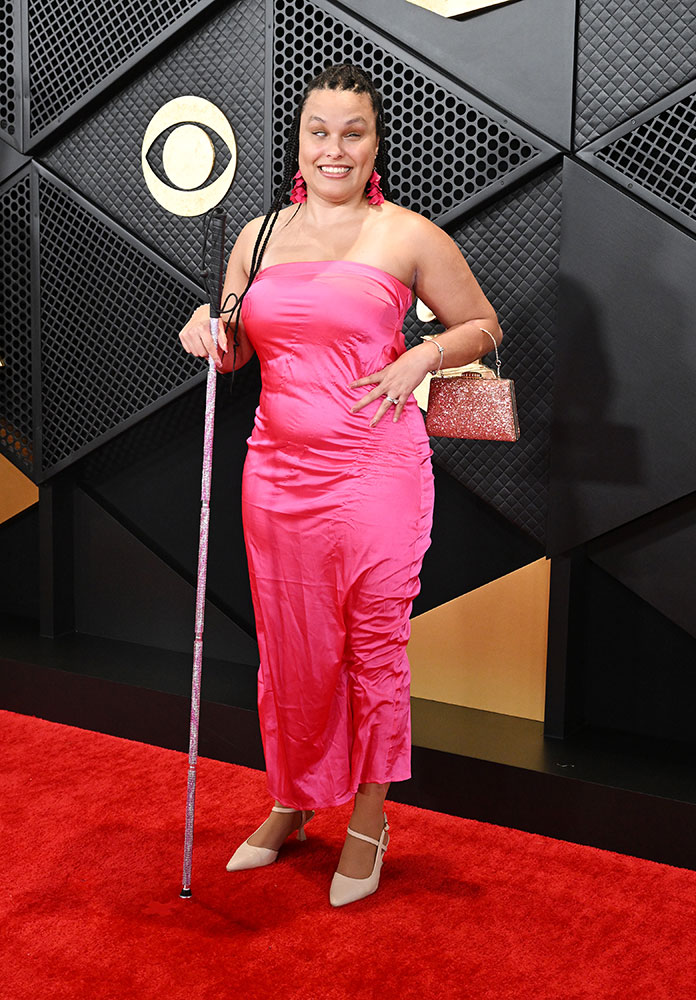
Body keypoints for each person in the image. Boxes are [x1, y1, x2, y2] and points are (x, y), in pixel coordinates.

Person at [178, 63, 500, 907]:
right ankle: (293, 798)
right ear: (300, 140)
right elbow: (238, 345)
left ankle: (368, 818)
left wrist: (423, 355)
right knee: (293, 650)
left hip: (376, 473)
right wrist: (207, 328)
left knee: (370, 648)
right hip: (275, 473)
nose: (334, 147)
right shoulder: (258, 236)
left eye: (352, 131)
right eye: (319, 130)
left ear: (375, 142)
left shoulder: (408, 235)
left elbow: (481, 325)